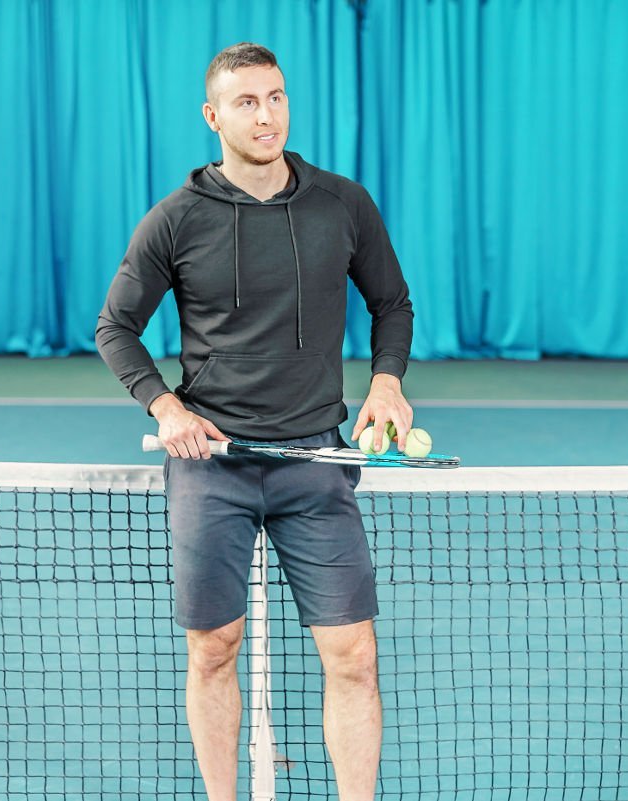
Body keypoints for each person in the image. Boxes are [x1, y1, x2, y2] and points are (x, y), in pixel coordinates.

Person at [94, 42, 414, 801]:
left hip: (317, 463)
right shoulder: (175, 219)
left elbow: (391, 302)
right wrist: (164, 405)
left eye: (275, 97)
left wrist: (388, 384)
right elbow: (116, 327)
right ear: (213, 116)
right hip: (213, 466)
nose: (265, 114)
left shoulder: (343, 203)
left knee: (353, 656)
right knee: (213, 649)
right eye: (245, 102)